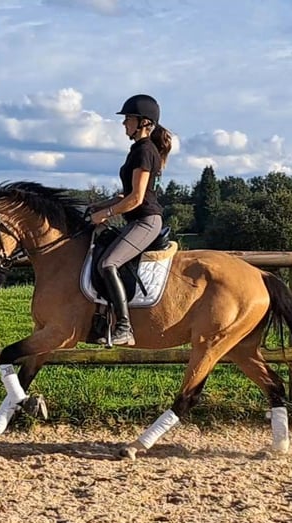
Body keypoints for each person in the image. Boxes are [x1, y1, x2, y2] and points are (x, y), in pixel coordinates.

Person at [88, 94, 173, 346]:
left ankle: (124, 327)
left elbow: (136, 199)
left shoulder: (145, 151)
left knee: (108, 264)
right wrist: (100, 205)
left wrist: (106, 214)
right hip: (136, 220)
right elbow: (128, 195)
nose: (124, 123)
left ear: (144, 123)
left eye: (128, 119)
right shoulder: (138, 150)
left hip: (146, 221)